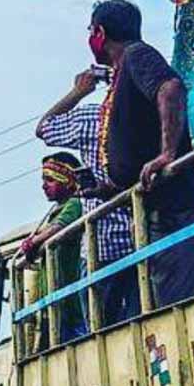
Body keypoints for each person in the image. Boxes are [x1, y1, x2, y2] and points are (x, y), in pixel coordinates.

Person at [89, 0, 194, 308]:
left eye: (91, 31)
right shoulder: (122, 72)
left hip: (177, 208)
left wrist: (167, 154)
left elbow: (170, 88)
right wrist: (113, 187)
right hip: (155, 209)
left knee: (174, 305)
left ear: (100, 33)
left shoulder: (136, 55)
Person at [37, 70, 139, 326]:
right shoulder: (155, 110)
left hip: (103, 246)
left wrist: (79, 91)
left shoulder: (91, 118)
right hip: (146, 237)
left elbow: (43, 128)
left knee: (103, 331)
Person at [19, 152, 88, 346]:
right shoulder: (55, 211)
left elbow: (59, 227)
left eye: (49, 180)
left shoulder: (74, 204)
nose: (43, 185)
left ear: (67, 181)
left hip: (71, 304)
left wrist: (34, 242)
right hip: (58, 303)